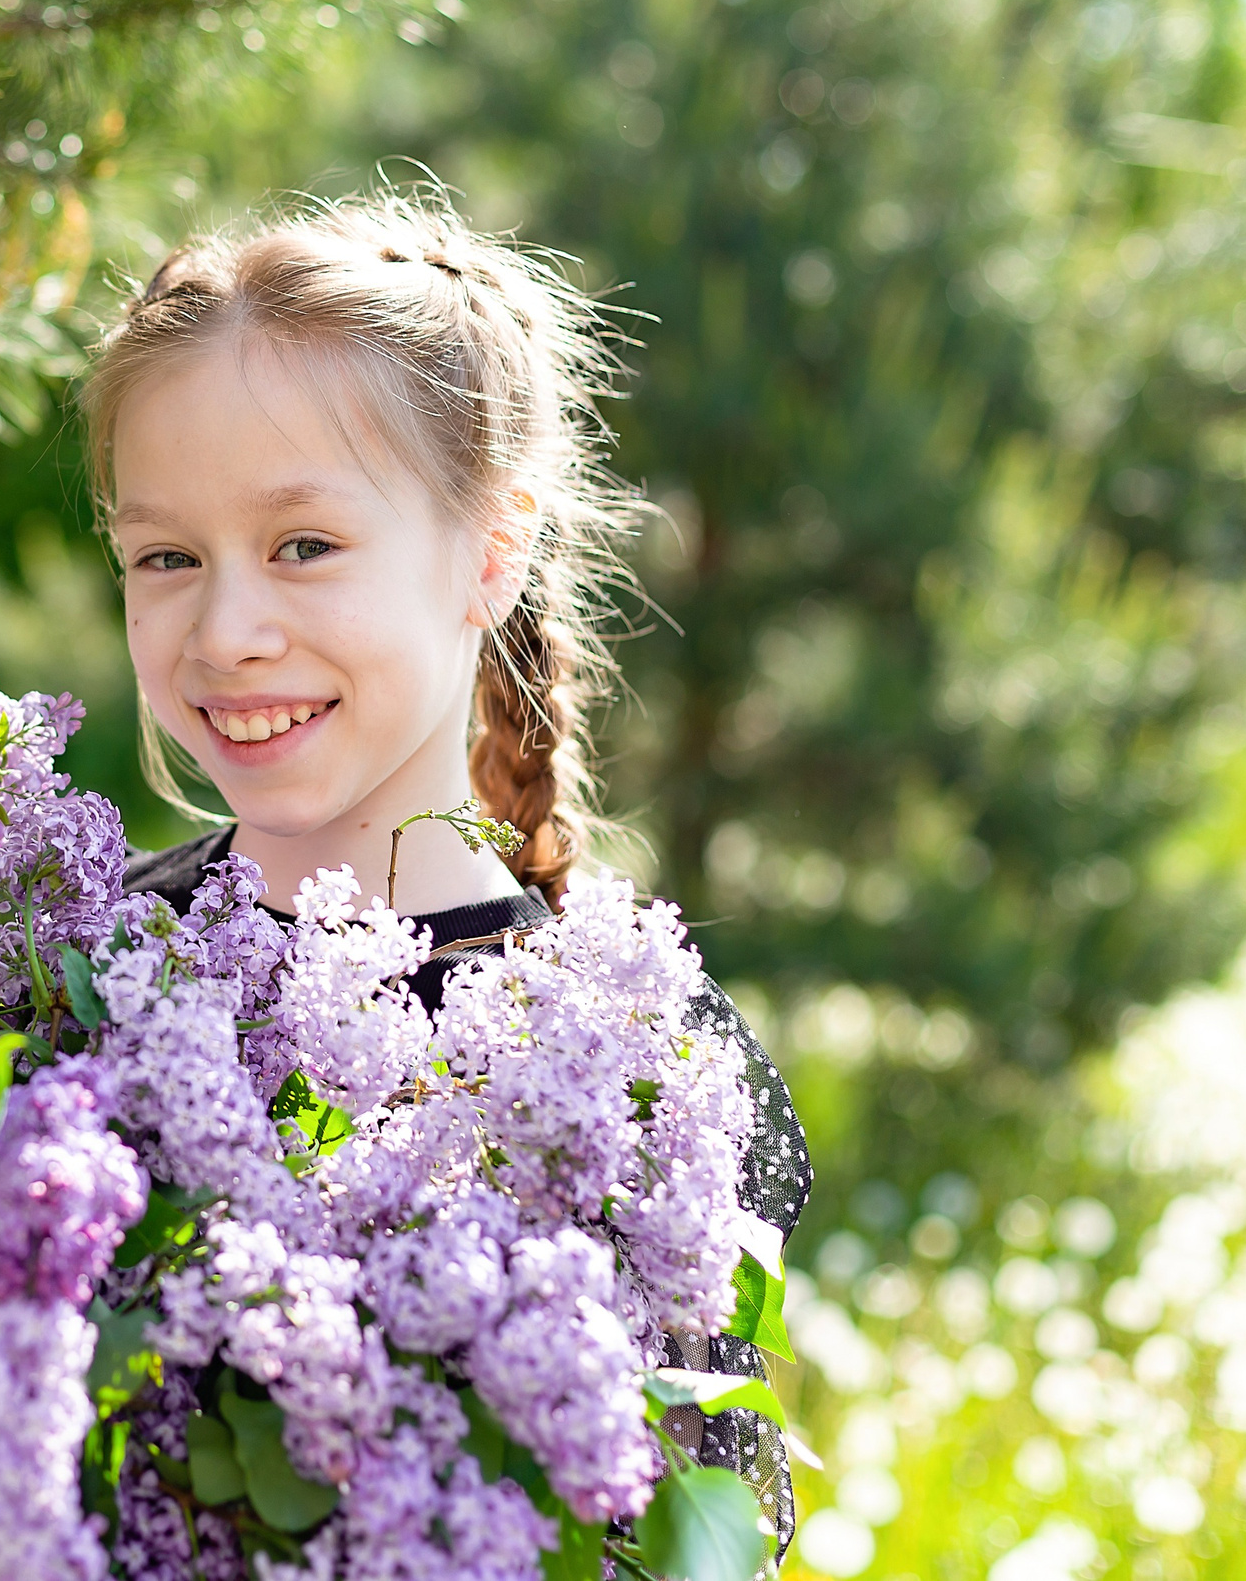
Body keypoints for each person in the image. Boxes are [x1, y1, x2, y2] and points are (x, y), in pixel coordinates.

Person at [78, 189, 815, 1559]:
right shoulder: (73, 974)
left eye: (304, 545)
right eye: (165, 557)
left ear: (490, 554)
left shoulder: (625, 1065)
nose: (226, 631)